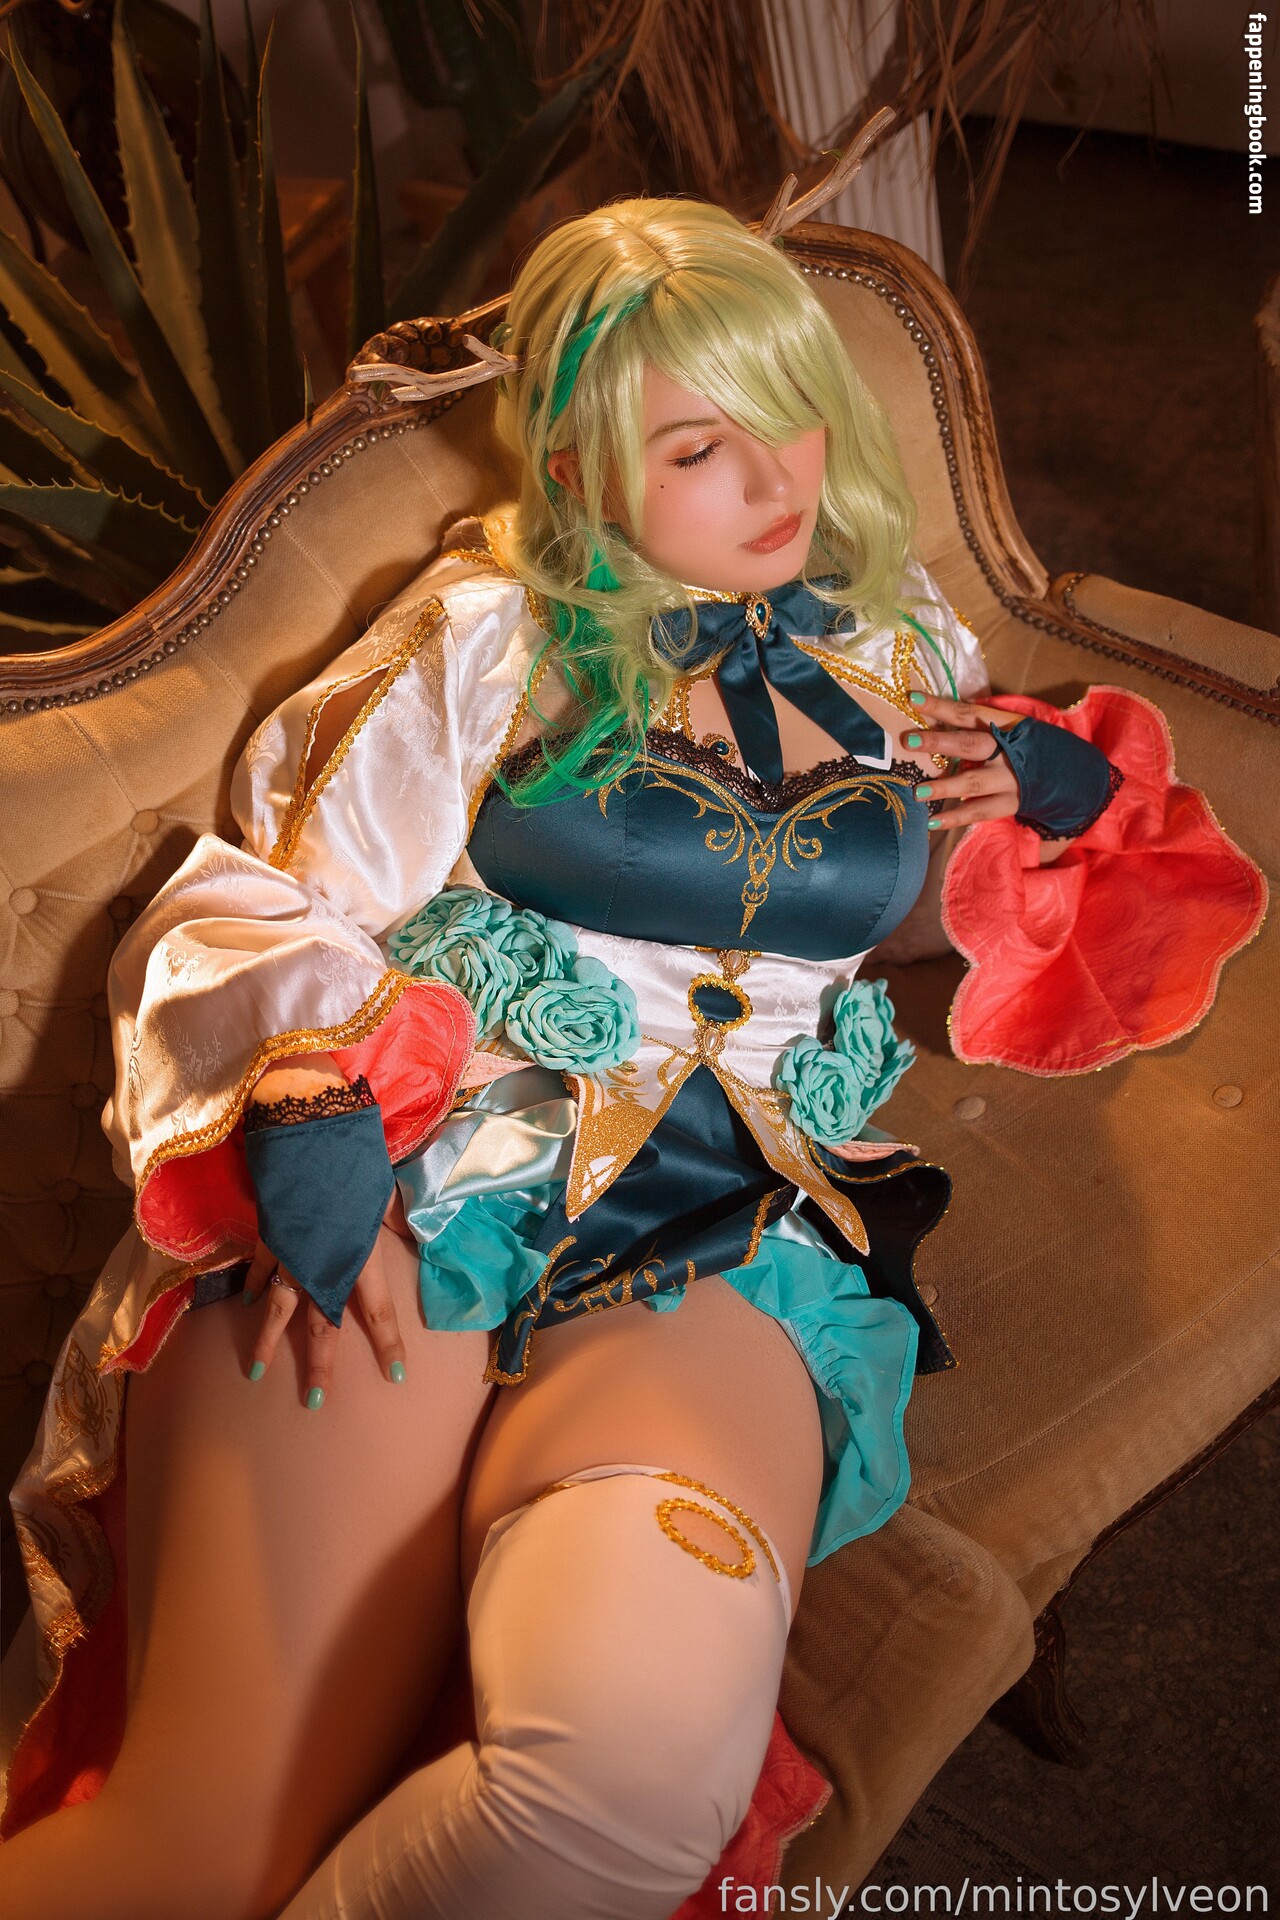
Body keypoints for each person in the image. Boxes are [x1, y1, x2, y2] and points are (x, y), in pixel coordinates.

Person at [0, 176, 1264, 1920]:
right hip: (438, 1172)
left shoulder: (901, 646)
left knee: (619, 1788)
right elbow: (272, 895)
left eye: (789, 413)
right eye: (694, 448)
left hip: (734, 1232)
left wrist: (1043, 804)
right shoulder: (486, 636)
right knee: (205, 1844)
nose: (776, 479)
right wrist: (301, 1092)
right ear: (580, 465)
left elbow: (907, 922)